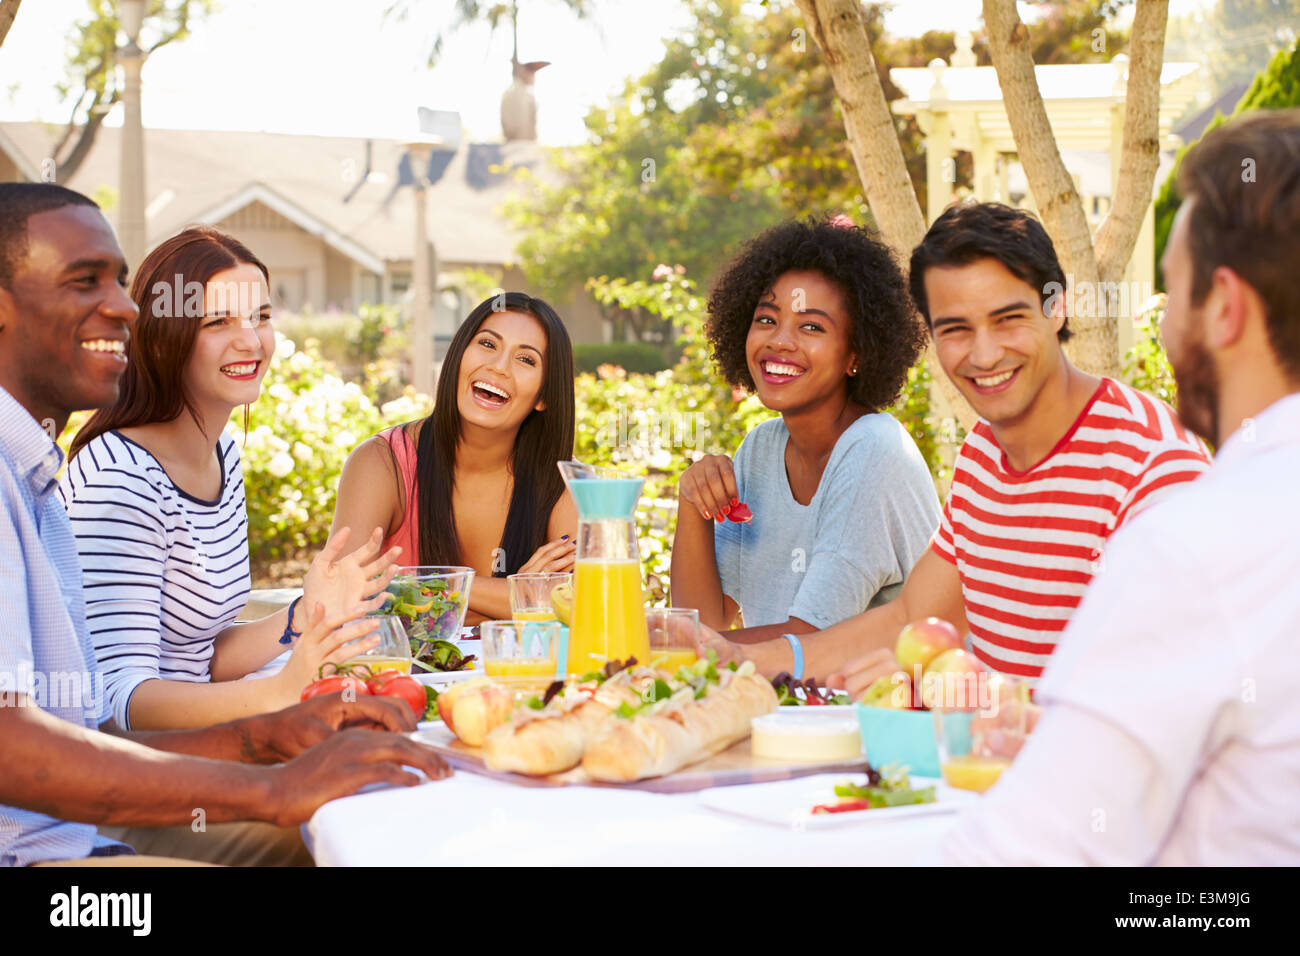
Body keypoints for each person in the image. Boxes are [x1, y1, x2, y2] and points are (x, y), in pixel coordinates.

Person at [0, 182, 449, 867]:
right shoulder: (105, 476)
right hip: (57, 846)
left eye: (261, 315)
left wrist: (299, 641)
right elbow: (89, 718)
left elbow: (171, 666)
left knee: (374, 810)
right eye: (83, 280)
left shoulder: (53, 476)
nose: (123, 307)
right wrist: (273, 729)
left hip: (79, 819)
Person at [942, 109, 1300, 864]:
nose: (1166, 325)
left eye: (1172, 294)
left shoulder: (1196, 542)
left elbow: (1031, 853)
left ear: (1226, 307)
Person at [701, 202, 1211, 685]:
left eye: (1007, 318)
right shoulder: (984, 455)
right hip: (990, 767)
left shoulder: (1152, 465)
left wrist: (972, 701)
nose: (984, 354)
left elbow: (1176, 694)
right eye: (956, 328)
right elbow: (908, 616)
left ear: (1056, 307)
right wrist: (740, 659)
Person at [60, 226, 401, 734]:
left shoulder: (221, 453)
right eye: (217, 321)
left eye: (260, 316)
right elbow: (117, 701)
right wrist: (280, 693)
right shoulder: (120, 482)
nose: (251, 339)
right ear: (162, 339)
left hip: (205, 742)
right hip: (149, 777)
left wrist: (306, 613)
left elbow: (200, 656)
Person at [671, 216, 940, 642]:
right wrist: (692, 504)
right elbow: (707, 621)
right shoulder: (762, 448)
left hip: (884, 705)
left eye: (812, 326)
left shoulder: (873, 451)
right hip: (795, 704)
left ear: (857, 353)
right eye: (766, 319)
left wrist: (662, 649)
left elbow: (808, 645)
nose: (780, 341)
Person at [331, 292, 578, 623]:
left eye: (526, 360)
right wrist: (520, 595)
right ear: (458, 354)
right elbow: (340, 599)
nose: (498, 366)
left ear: (544, 396)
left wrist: (417, 585)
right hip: (398, 674)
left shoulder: (562, 483)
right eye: (488, 344)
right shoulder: (381, 463)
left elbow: (580, 607)